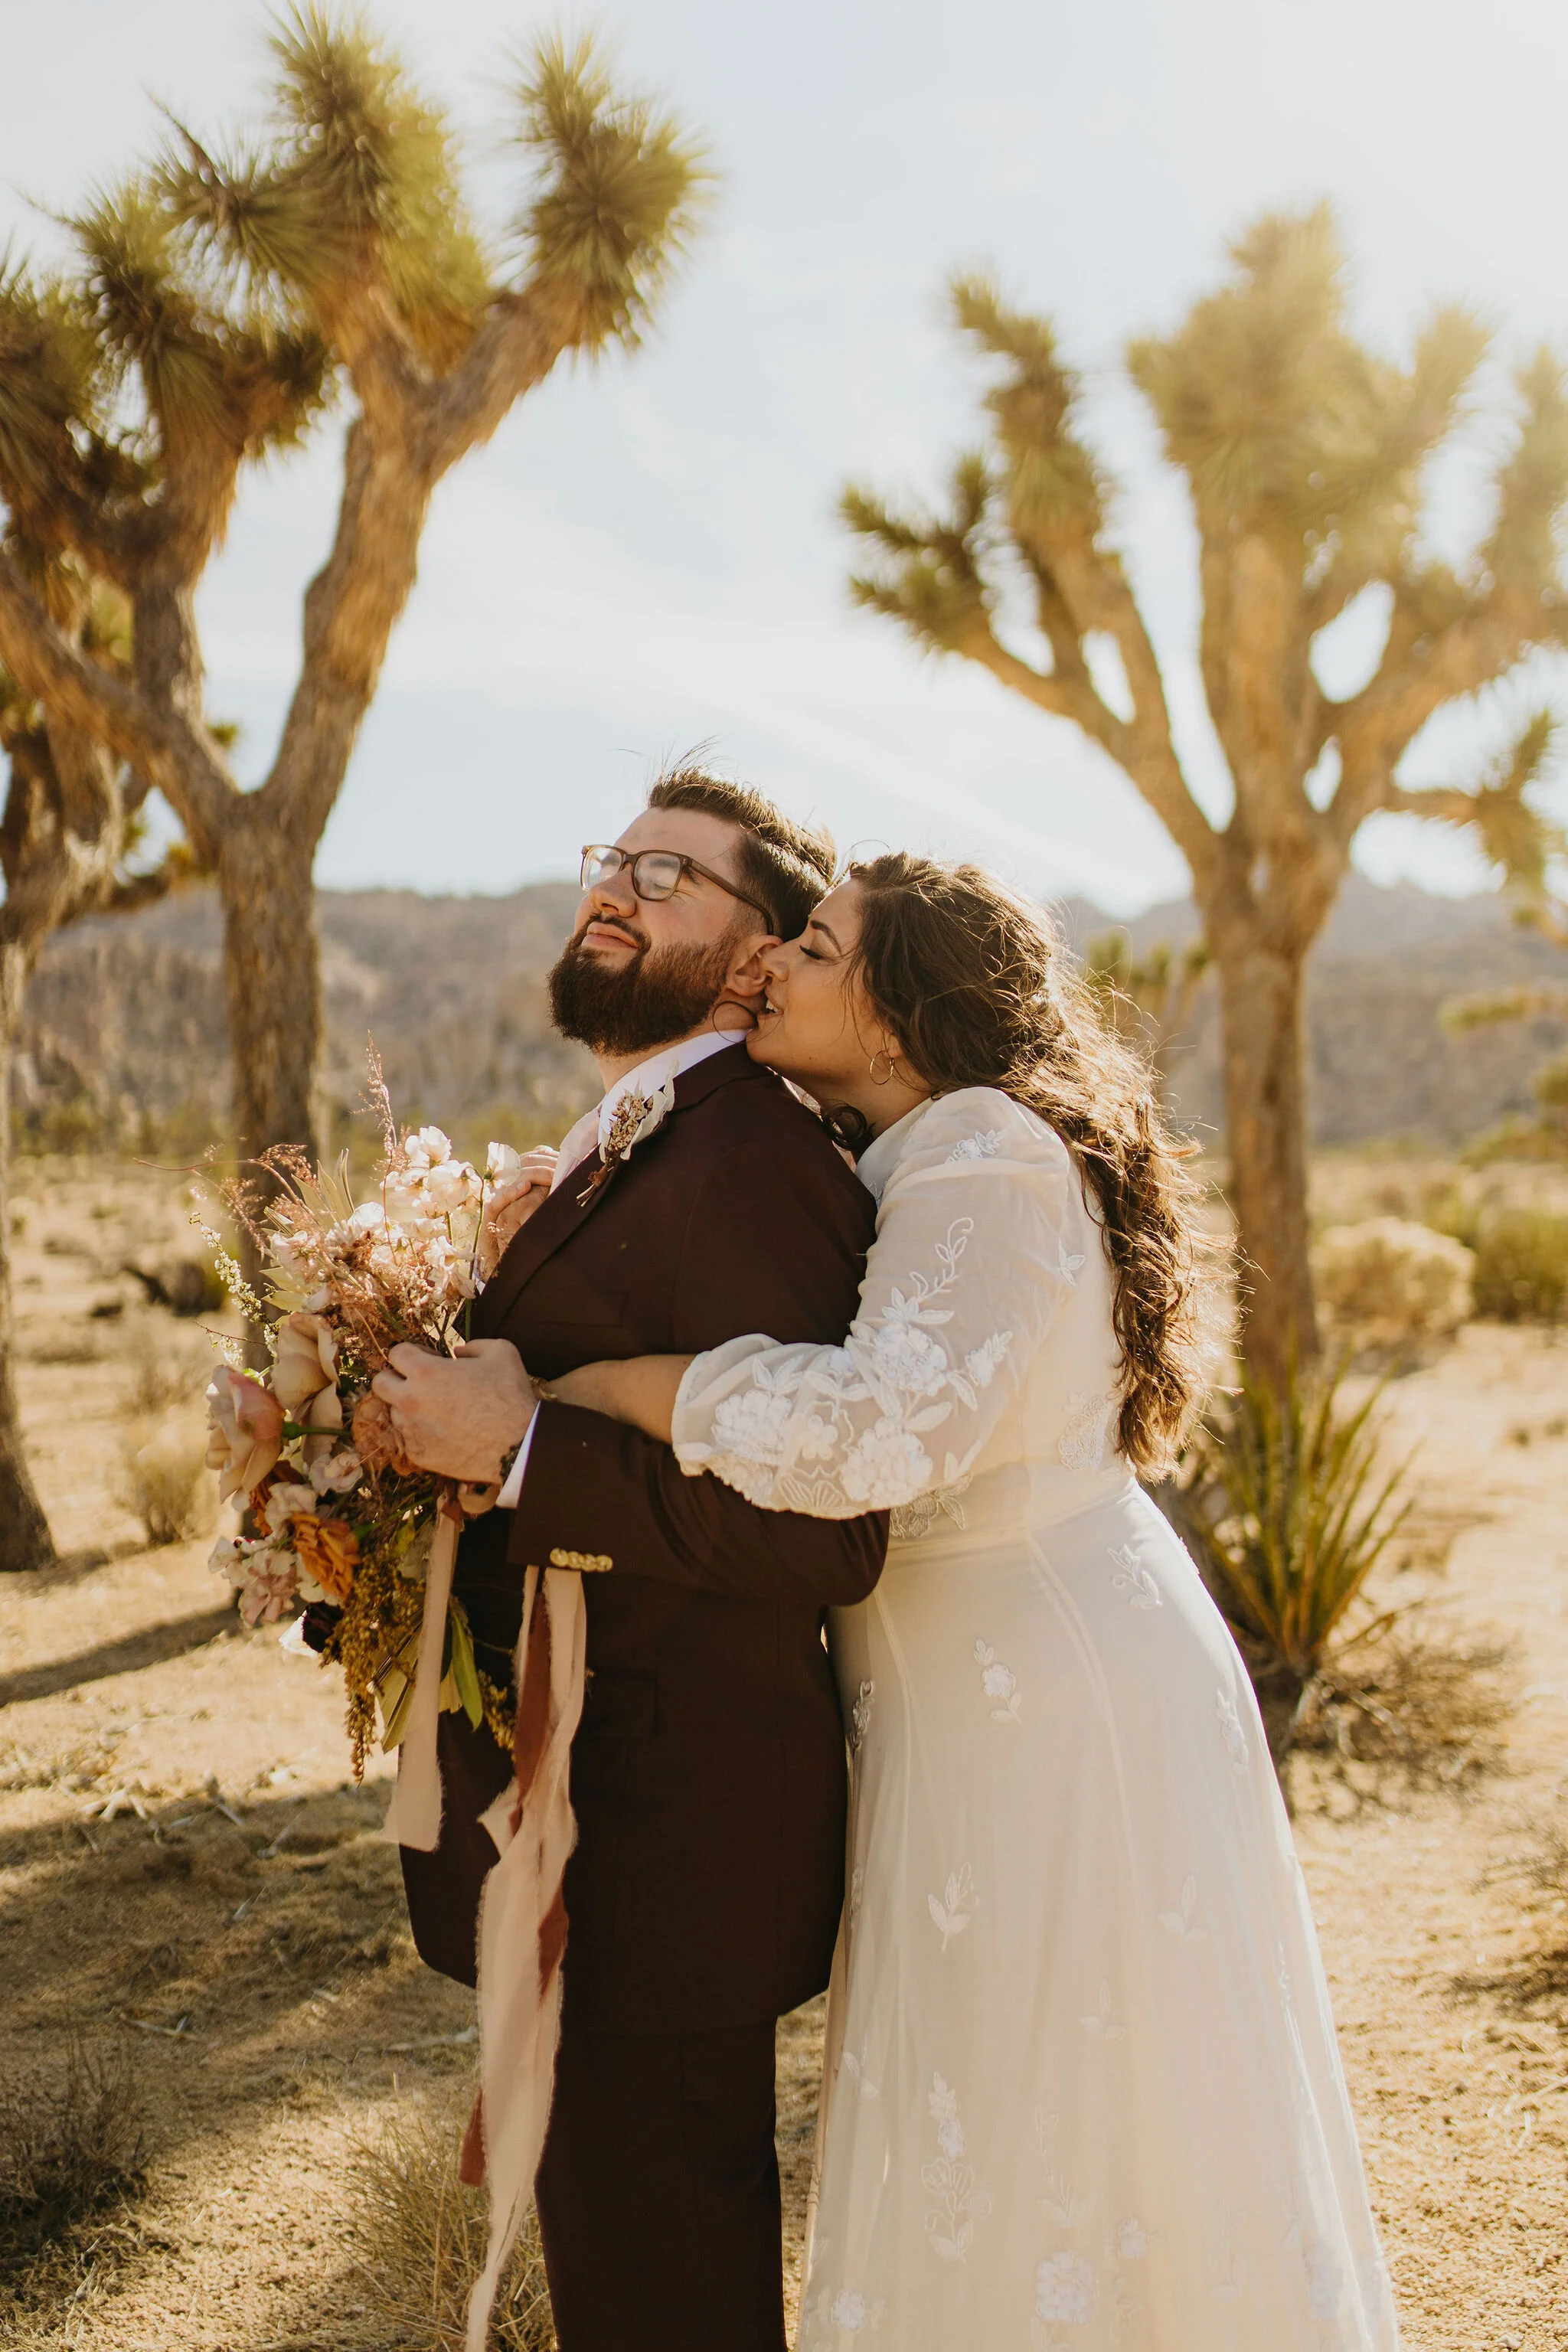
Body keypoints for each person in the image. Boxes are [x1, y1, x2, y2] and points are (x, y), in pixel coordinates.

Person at [544, 854, 1400, 2351]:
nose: (773, 966)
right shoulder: (905, 1151)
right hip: (963, 1701)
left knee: (1063, 2108)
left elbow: (885, 1428)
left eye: (815, 948)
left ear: (895, 1013)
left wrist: (603, 1391)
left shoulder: (983, 1151)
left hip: (1049, 1704)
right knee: (1001, 2108)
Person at [371, 770, 888, 2352]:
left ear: (757, 957)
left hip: (666, 1847)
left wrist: (524, 1450)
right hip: (587, 1829)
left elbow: (826, 1528)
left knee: (667, 2297)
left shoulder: (755, 1165)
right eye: (616, 859)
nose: (616, 887)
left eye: (670, 876)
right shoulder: (642, 1144)